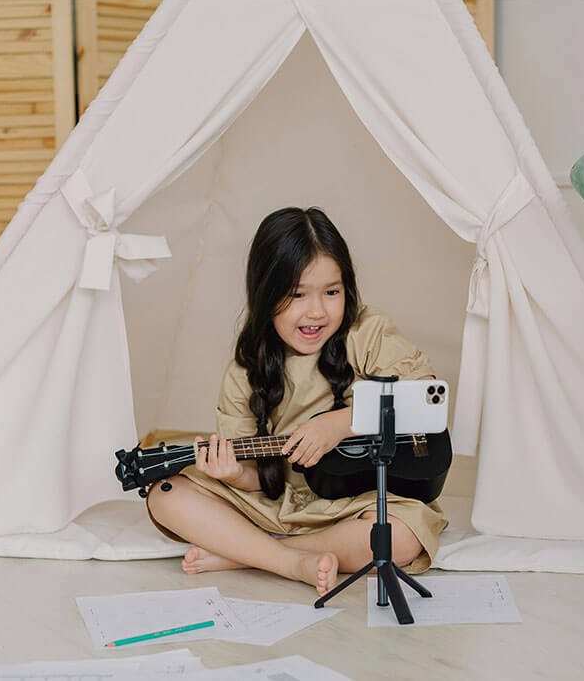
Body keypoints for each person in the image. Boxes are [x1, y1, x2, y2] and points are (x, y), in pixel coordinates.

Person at [147, 207, 447, 595]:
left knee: (401, 538)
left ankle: (246, 553)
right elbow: (256, 478)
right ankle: (290, 562)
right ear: (265, 294)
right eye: (296, 295)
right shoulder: (245, 370)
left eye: (332, 292)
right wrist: (235, 475)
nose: (317, 311)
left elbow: (427, 397)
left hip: (353, 501)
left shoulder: (367, 332)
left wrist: (341, 423)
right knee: (165, 496)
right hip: (278, 503)